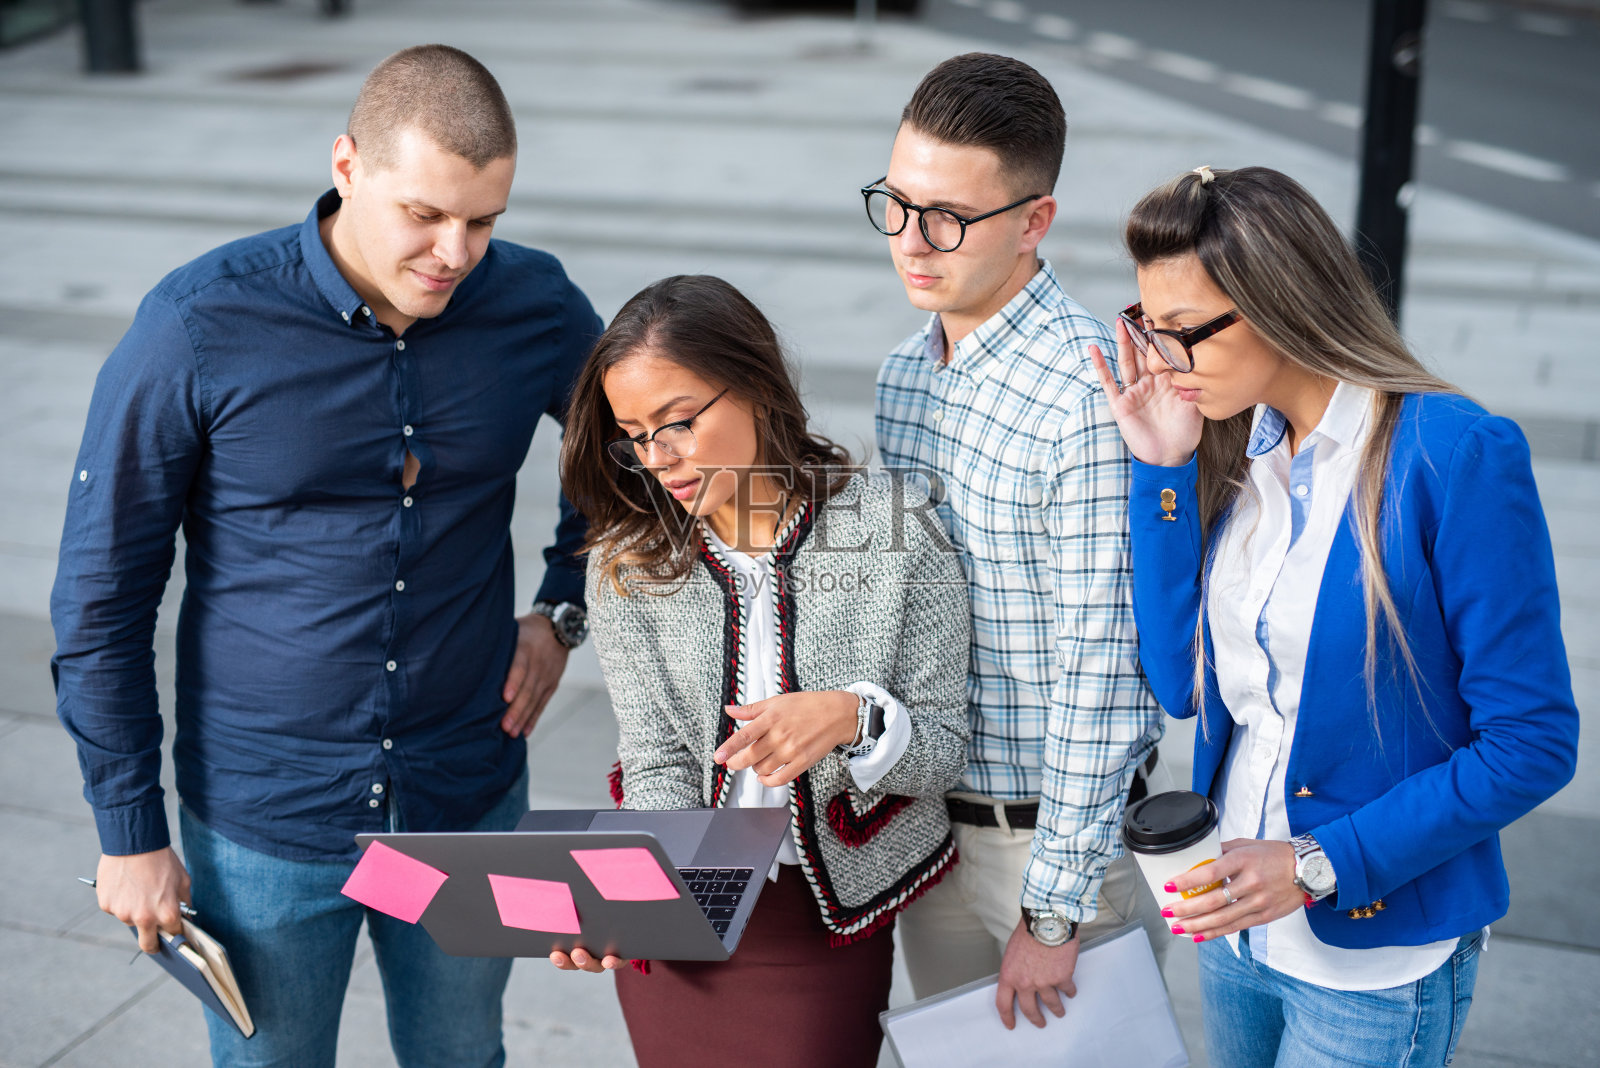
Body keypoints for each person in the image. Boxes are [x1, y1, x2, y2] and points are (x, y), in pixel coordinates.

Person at [50, 45, 601, 1067]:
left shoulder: (534, 306)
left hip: (464, 793)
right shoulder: (198, 325)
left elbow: (633, 453)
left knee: (463, 1057)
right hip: (267, 814)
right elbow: (100, 594)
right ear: (347, 164)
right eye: (424, 215)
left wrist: (562, 604)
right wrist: (129, 829)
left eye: (483, 221)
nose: (455, 251)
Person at [1090, 164, 1579, 1067]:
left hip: (1372, 953)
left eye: (1182, 333)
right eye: (1145, 328)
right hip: (1236, 933)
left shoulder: (1453, 456)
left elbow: (1533, 743)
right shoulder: (1244, 451)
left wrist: (1318, 862)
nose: (1159, 362)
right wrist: (1162, 469)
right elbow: (1181, 683)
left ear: (1278, 304)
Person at [548, 274, 971, 1068]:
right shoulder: (627, 560)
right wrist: (633, 907)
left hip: (823, 918)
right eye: (634, 435)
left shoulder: (894, 530)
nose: (658, 459)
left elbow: (943, 748)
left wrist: (852, 718)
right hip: (684, 914)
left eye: (676, 423)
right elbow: (655, 756)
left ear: (755, 387)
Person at [868, 52, 1168, 1030]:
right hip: (931, 841)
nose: (913, 243)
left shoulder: (1085, 399)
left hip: (1052, 856)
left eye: (948, 218)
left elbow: (1103, 674)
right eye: (897, 204)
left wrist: (1055, 906)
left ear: (1034, 220)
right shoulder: (902, 379)